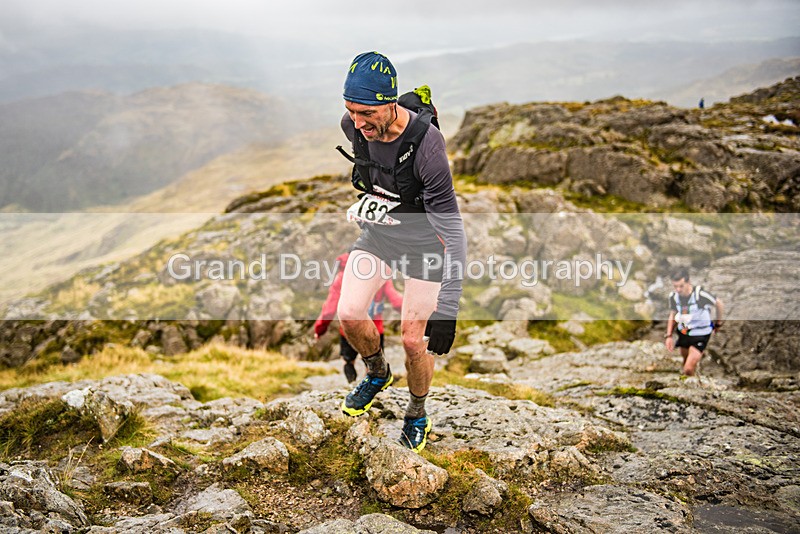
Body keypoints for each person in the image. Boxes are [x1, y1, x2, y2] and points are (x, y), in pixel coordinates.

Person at [336, 51, 467, 453]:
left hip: (426, 247)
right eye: (350, 111)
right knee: (350, 314)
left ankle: (417, 411)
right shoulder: (354, 127)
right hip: (379, 236)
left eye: (365, 113)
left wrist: (449, 306)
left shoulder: (427, 147)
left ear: (389, 102)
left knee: (415, 341)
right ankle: (377, 372)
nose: (357, 122)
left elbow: (454, 231)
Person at [314, 252, 403, 383]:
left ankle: (352, 385)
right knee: (374, 362)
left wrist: (319, 329)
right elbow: (396, 301)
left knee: (347, 360)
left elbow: (329, 310)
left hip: (349, 331)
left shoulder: (342, 277)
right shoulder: (381, 274)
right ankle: (369, 388)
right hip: (375, 330)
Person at [665, 268, 724, 376]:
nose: (678, 289)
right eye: (675, 286)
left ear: (688, 282)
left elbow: (719, 303)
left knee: (688, 369)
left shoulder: (700, 295)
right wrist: (668, 335)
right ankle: (695, 380)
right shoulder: (674, 297)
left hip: (701, 334)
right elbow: (673, 314)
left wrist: (718, 323)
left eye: (681, 286)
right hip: (684, 332)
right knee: (685, 364)